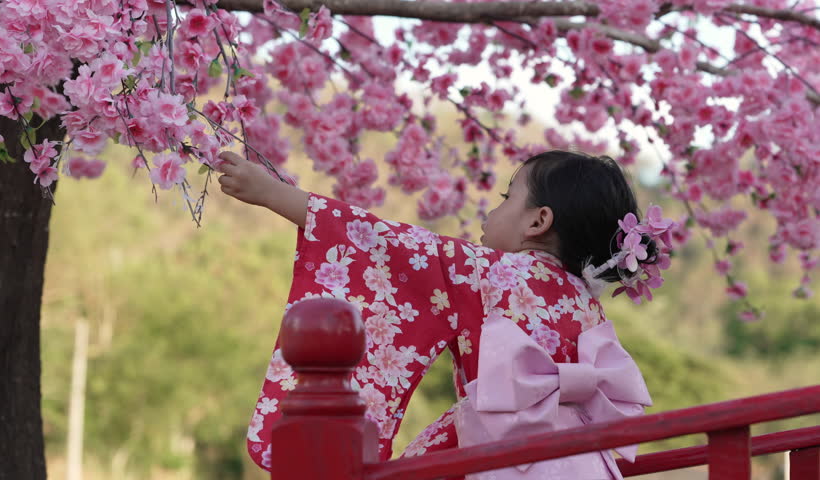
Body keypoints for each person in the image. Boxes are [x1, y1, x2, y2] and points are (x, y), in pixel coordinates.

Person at [217, 149, 673, 479]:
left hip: (503, 454)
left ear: (538, 222)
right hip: (583, 459)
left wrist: (271, 194)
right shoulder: (587, 302)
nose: (492, 212)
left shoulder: (492, 272)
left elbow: (381, 240)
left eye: (505, 198)